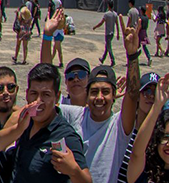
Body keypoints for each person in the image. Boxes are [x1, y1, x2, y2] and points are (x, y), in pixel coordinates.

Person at [58, 27, 141, 183]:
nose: (99, 98)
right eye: (94, 92)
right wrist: (48, 37)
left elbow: (133, 94)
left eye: (106, 92)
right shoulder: (76, 115)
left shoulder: (119, 125)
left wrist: (132, 56)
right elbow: (46, 100)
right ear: (87, 94)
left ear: (114, 95)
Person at [0, 63, 90, 183]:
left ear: (57, 97)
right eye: (34, 93)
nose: (38, 101)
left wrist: (73, 170)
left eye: (46, 95)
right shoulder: (25, 124)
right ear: (27, 94)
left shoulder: (65, 137)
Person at [117, 72, 162, 183]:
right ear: (138, 96)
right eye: (146, 91)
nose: (151, 96)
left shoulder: (160, 136)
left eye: (155, 92)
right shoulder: (123, 126)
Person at [125, 74, 169, 183]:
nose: (168, 144)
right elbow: (136, 154)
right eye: (165, 137)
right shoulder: (146, 172)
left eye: (154, 93)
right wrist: (157, 105)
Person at [95, 1, 124, 66]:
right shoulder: (115, 14)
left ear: (108, 6)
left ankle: (113, 60)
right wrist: (118, 34)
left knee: (109, 47)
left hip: (107, 33)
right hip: (112, 33)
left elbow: (101, 23)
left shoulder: (106, 14)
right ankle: (103, 59)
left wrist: (95, 27)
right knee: (107, 47)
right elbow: (117, 24)